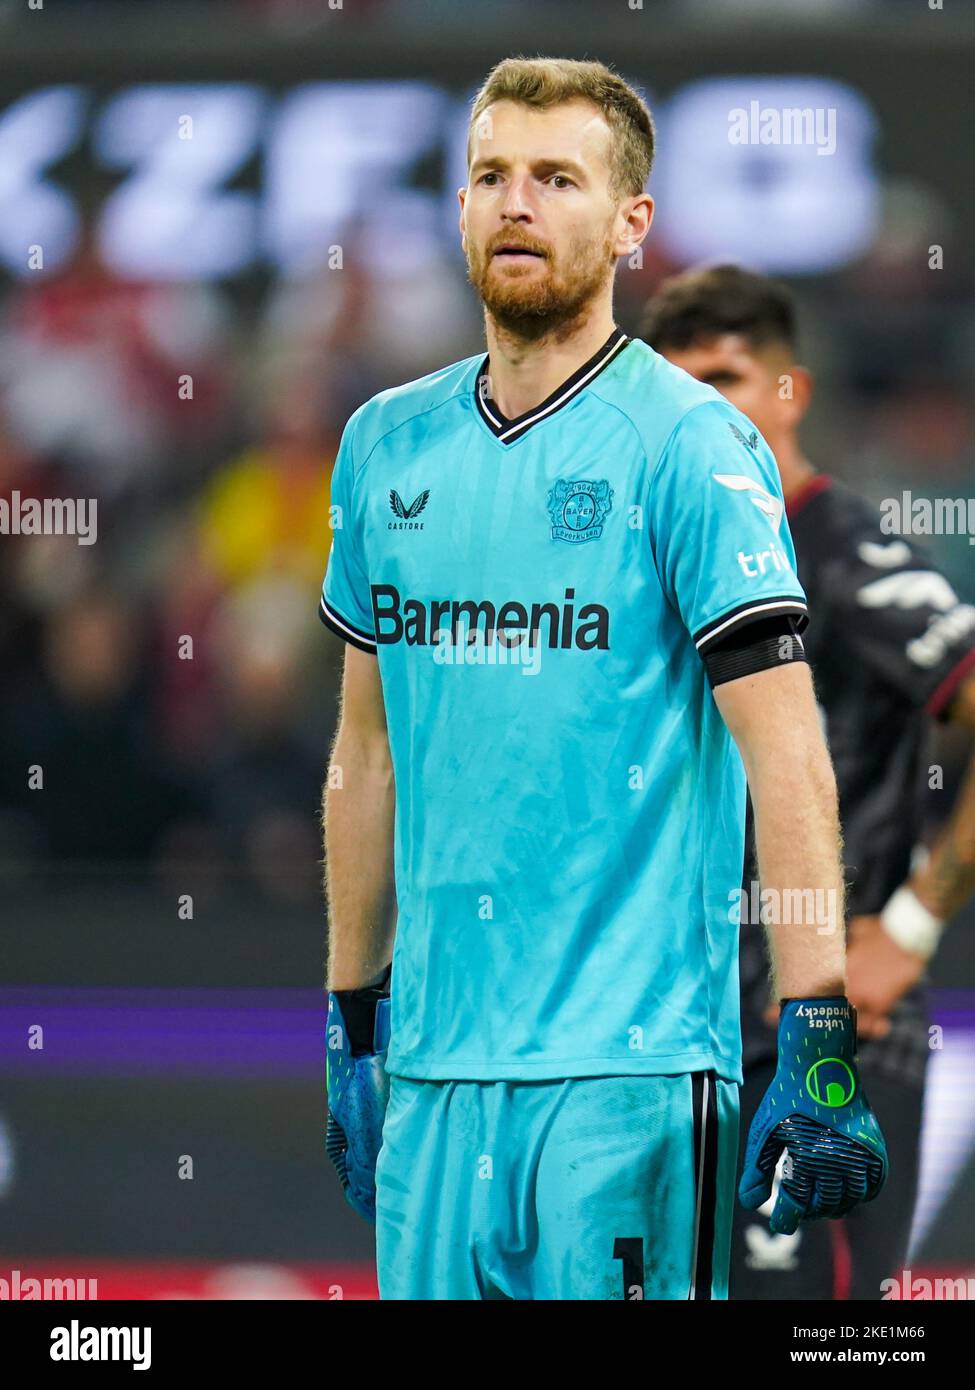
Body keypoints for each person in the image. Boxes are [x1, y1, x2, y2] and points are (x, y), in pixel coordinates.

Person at [319, 58, 887, 1301]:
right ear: (461, 207)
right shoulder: (382, 447)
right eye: (491, 176)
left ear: (632, 223)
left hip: (627, 1086)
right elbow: (365, 751)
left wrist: (818, 1030)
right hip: (431, 1078)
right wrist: (351, 1017)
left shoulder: (691, 444)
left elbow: (785, 752)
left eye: (557, 178)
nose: (516, 203)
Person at [639, 263, 975, 1299]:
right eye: (676, 383)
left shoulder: (841, 549)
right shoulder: (655, 559)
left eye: (728, 377)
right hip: (670, 1039)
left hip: (824, 1040)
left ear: (791, 393)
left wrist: (911, 924)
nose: (701, 406)